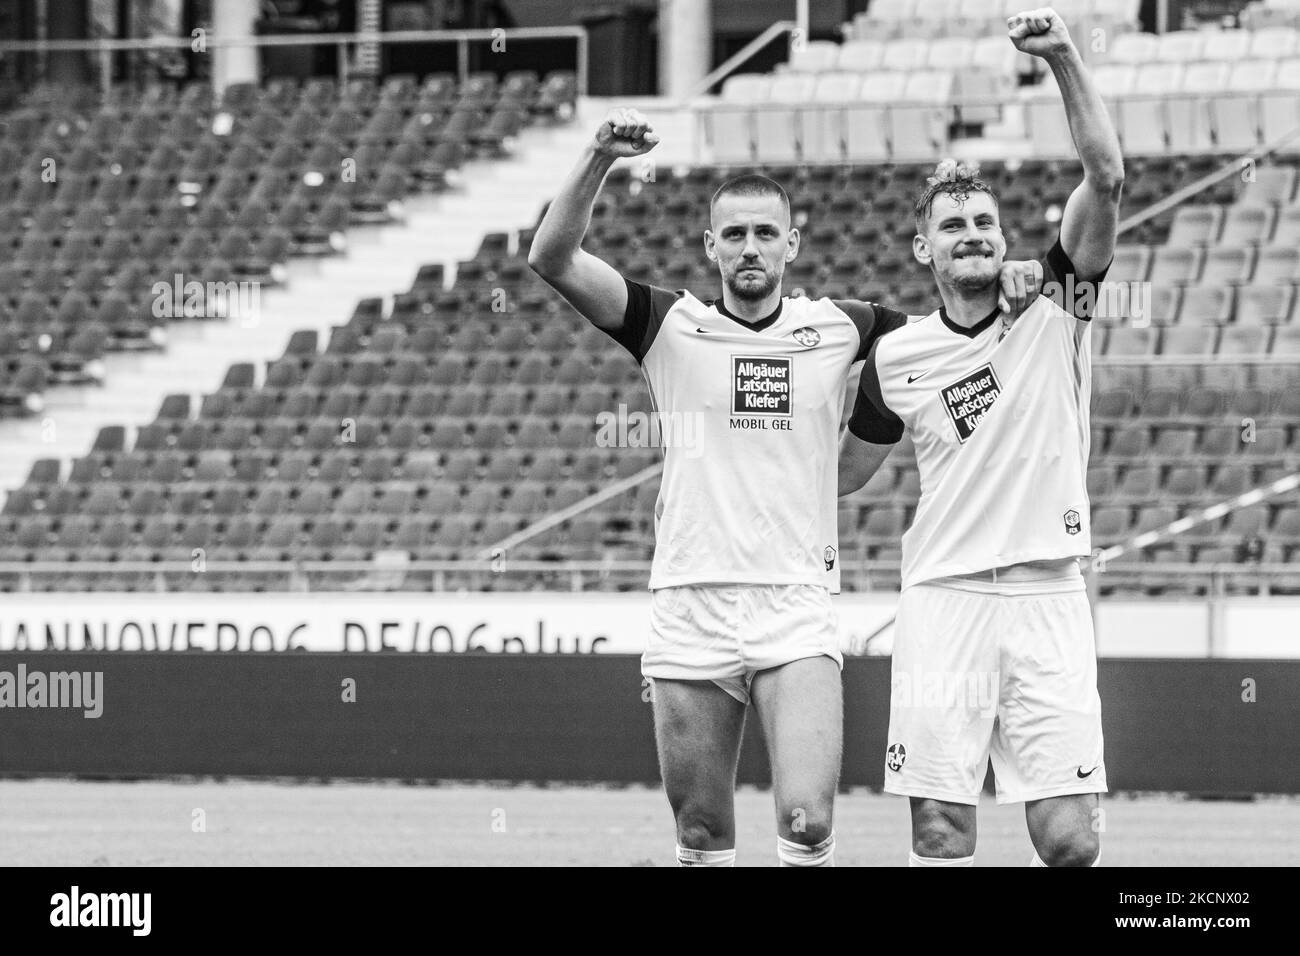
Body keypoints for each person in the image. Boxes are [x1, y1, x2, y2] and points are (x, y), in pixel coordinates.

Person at [529, 108, 1042, 866]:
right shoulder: (667, 323)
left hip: (797, 602)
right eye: (733, 233)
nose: (750, 247)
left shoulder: (845, 326)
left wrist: (1006, 273)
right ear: (710, 245)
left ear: (792, 243)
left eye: (766, 232)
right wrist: (600, 156)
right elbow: (552, 257)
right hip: (690, 597)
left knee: (805, 821)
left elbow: (950, 332)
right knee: (701, 831)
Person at [839, 8, 1122, 866]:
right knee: (939, 830)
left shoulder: (1057, 304)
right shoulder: (897, 357)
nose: (974, 235)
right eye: (954, 226)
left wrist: (1065, 57)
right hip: (943, 601)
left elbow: (1105, 178)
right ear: (925, 246)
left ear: (1006, 239)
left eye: (986, 224)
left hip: (1048, 597)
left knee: (1070, 839)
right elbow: (841, 477)